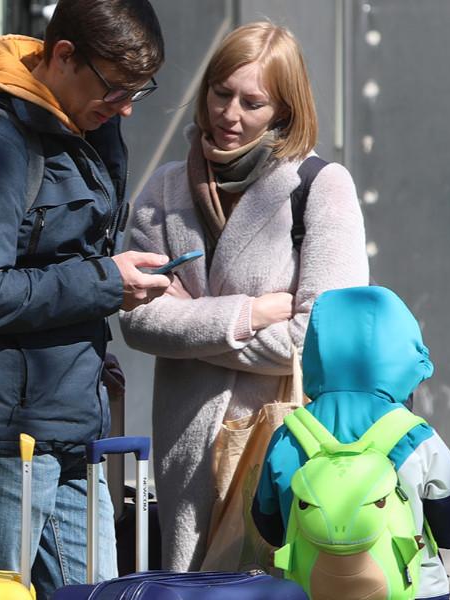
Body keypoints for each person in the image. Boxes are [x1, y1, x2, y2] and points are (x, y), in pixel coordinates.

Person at [0, 1, 169, 596]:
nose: (127, 106)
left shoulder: (85, 128)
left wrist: (90, 342)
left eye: (139, 91)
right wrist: (107, 283)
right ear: (64, 55)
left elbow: (56, 261)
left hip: (67, 421)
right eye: (116, 88)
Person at [118, 21, 370, 571]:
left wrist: (189, 325)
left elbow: (319, 342)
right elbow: (137, 321)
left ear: (285, 110)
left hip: (281, 451)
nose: (229, 114)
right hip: (185, 453)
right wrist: (250, 313)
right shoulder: (165, 188)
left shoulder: (320, 187)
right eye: (220, 93)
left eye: (252, 103)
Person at [252, 286, 450, 599]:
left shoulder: (289, 436)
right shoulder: (415, 436)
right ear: (402, 352)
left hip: (312, 589)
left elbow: (270, 528)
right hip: (415, 590)